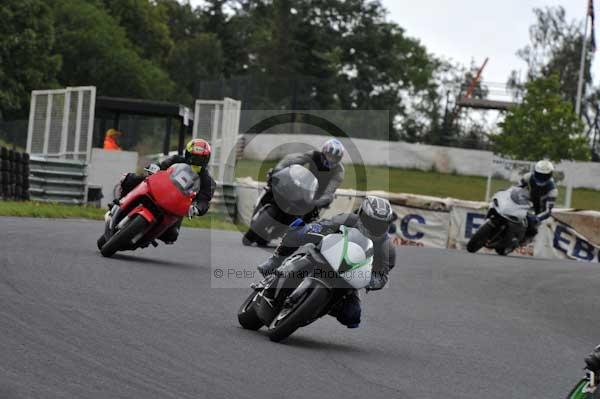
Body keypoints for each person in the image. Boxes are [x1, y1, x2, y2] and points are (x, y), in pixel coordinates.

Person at [257, 196, 396, 328]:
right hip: (323, 257)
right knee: (298, 230)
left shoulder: (386, 248)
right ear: (361, 215)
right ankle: (274, 262)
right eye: (371, 221)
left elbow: (382, 275)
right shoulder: (347, 219)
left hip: (348, 279)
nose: (375, 227)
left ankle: (317, 308)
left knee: (352, 316)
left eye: (380, 224)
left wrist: (370, 281)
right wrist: (312, 231)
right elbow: (325, 225)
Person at [242, 138, 346, 246]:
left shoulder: (339, 171)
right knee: (273, 188)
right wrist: (279, 169)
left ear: (339, 159)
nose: (331, 159)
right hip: (303, 184)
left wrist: (321, 200)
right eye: (330, 155)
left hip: (316, 195)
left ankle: (295, 235)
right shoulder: (313, 155)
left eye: (335, 157)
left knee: (310, 216)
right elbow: (293, 160)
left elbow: (331, 189)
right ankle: (261, 207)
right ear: (324, 152)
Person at [118, 138, 216, 244]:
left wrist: (196, 208)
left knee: (172, 235)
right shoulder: (176, 160)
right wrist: (155, 167)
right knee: (130, 179)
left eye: (201, 158)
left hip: (177, 205)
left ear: (206, 159)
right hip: (159, 188)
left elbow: (204, 200)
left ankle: (148, 235)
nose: (197, 160)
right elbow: (161, 166)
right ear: (188, 154)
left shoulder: (207, 181)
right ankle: (119, 202)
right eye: (194, 156)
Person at [517, 160, 558, 241]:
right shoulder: (527, 177)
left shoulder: (553, 190)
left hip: (540, 211)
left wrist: (536, 218)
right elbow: (516, 189)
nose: (541, 178)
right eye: (539, 174)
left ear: (550, 175)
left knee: (534, 226)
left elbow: (548, 211)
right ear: (535, 172)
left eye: (544, 176)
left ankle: (526, 240)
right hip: (525, 203)